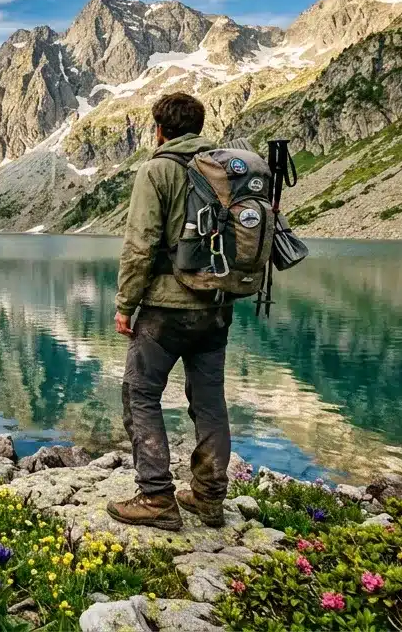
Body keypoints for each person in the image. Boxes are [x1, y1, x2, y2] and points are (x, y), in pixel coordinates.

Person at [109, 92, 232, 532]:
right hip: (216, 307)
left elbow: (140, 245)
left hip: (165, 311)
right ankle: (209, 498)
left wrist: (125, 305)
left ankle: (157, 496)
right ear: (198, 127)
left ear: (159, 130)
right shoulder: (226, 168)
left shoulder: (157, 169)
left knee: (140, 394)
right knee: (210, 401)